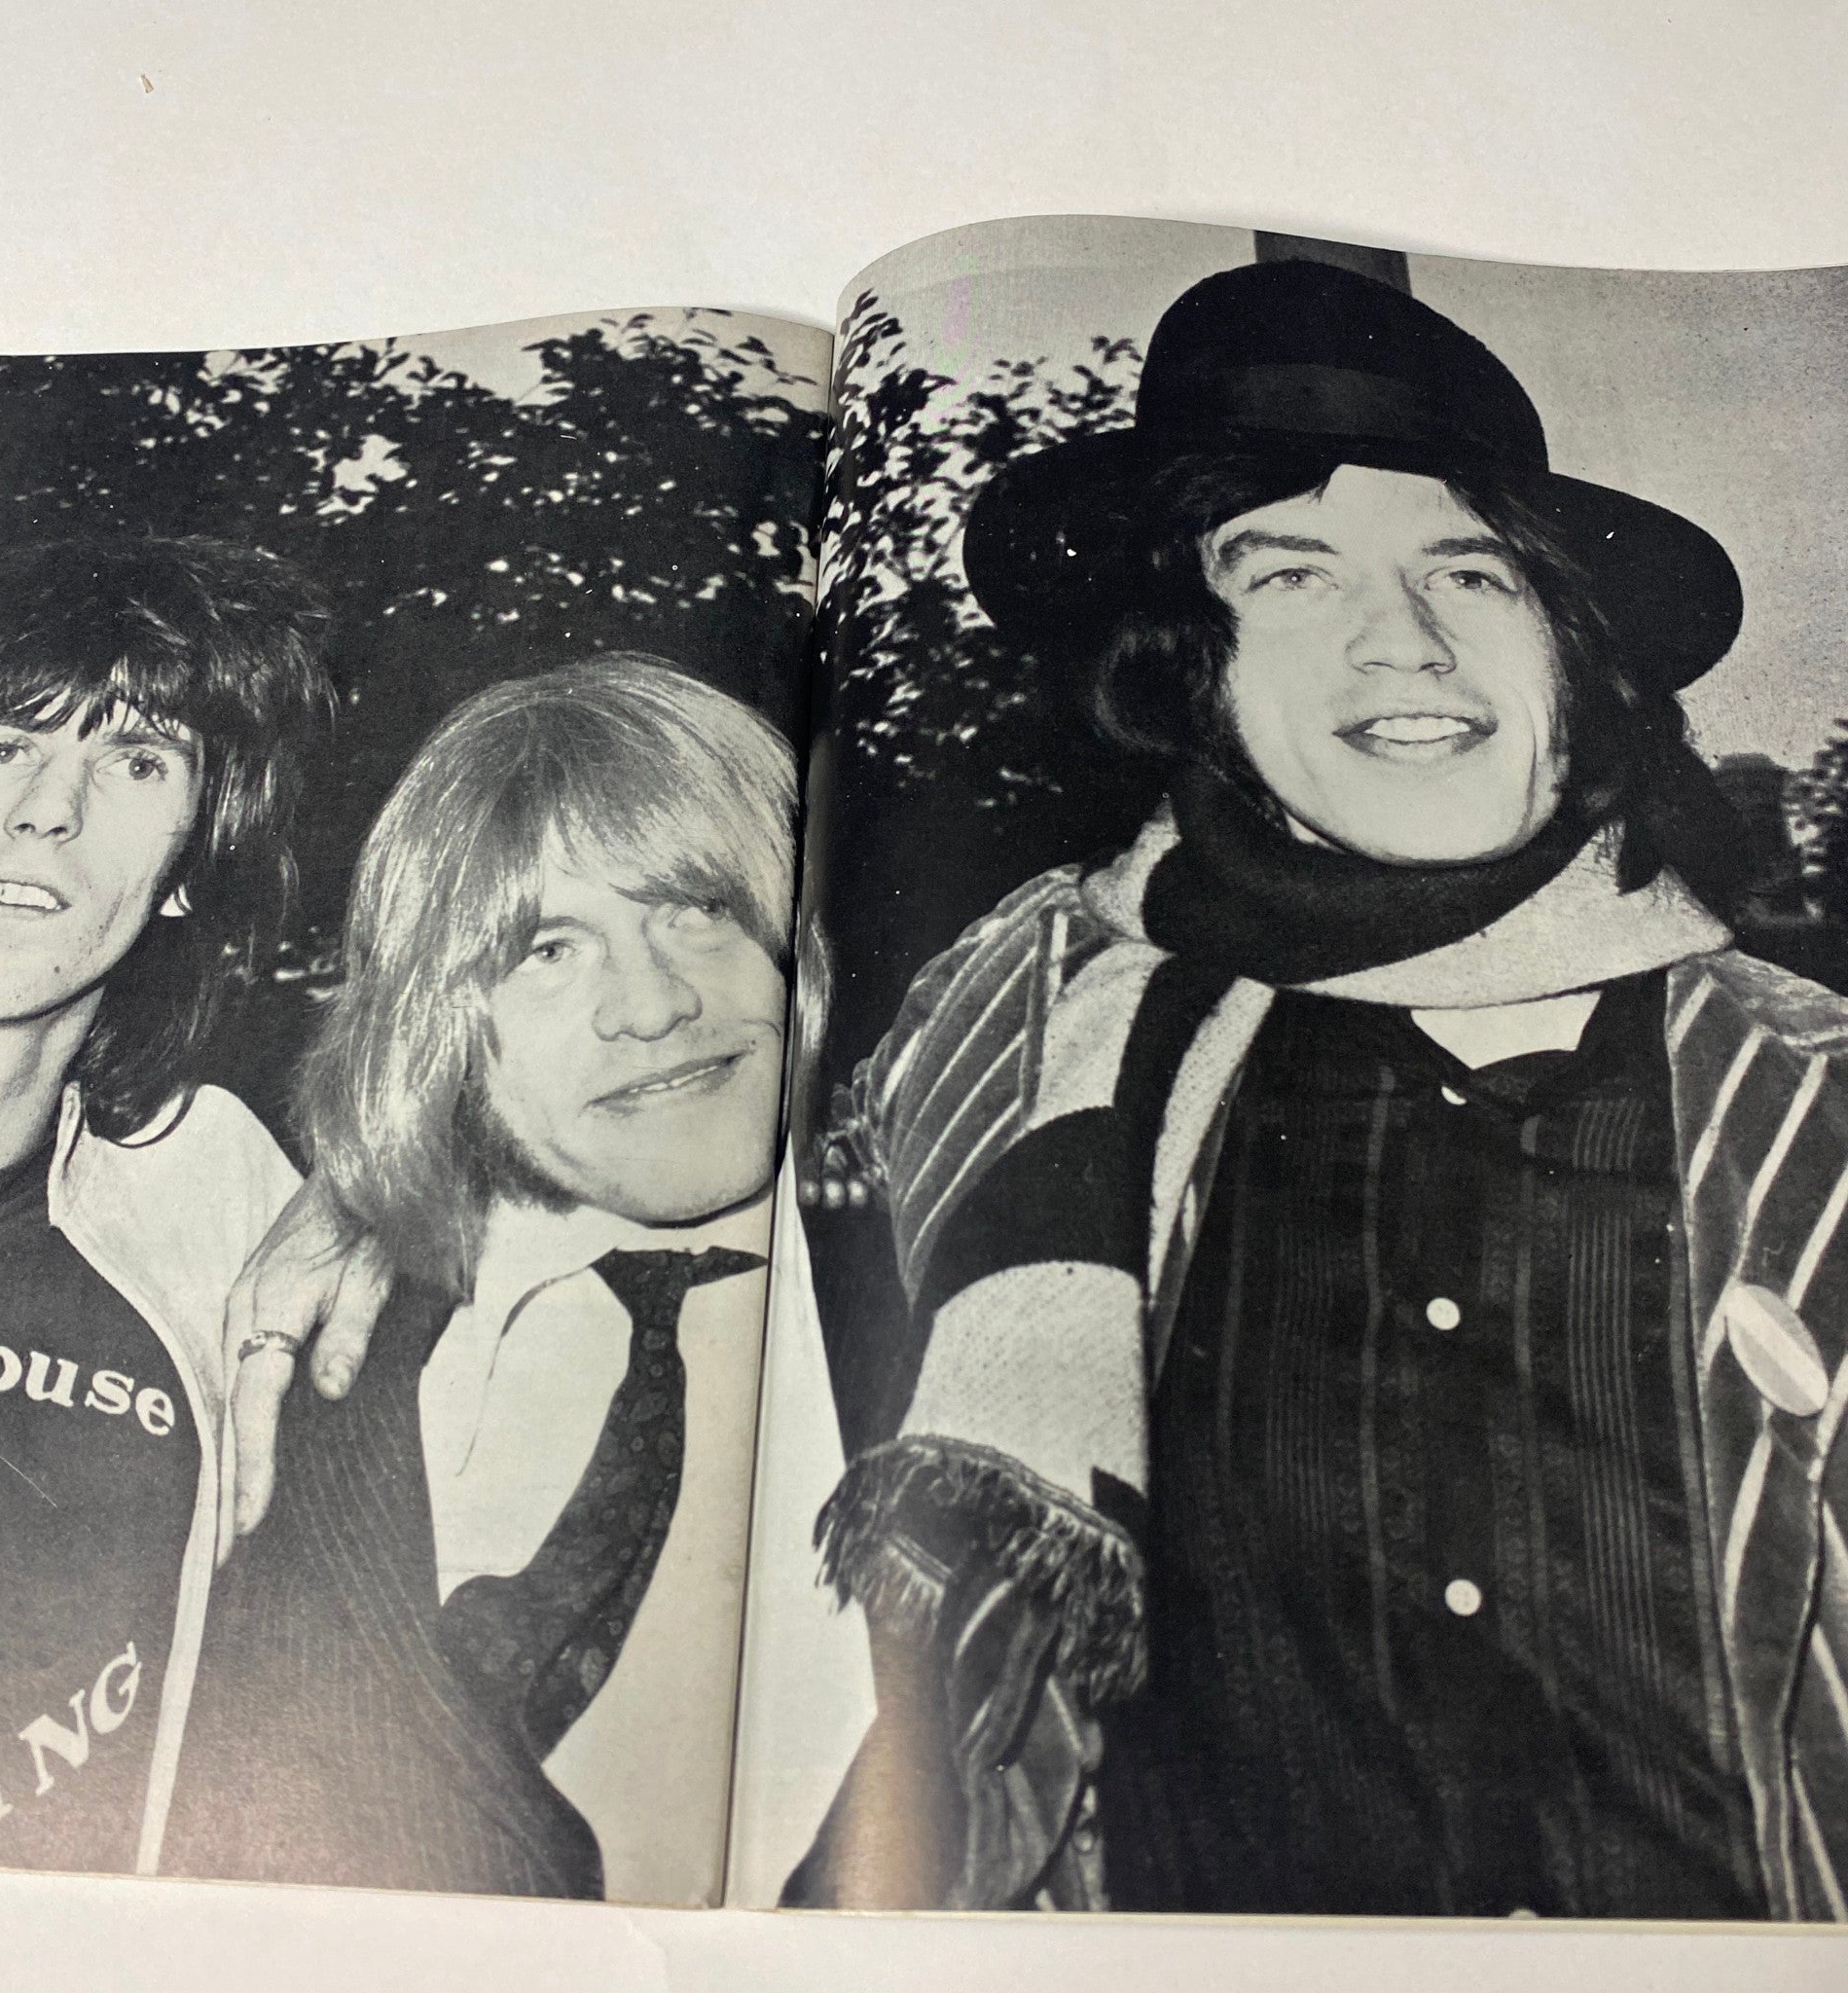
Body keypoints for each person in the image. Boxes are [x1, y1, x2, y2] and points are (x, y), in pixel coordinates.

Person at [785, 259, 1848, 1919]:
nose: (1403, 643)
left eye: (1470, 571)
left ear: (1572, 647)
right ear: (1183, 657)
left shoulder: (1807, 1101)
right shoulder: (1026, 1036)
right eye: (1287, 573)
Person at [165, 657, 815, 1902]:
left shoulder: (958, 1292)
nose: (652, 1003)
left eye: (698, 909)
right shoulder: (283, 1351)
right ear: (439, 1023)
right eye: (546, 947)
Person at [0, 536, 332, 1875]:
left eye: (136, 762)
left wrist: (362, 1200)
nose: (50, 811)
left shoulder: (218, 1194)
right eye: (4, 743)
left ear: (188, 863)